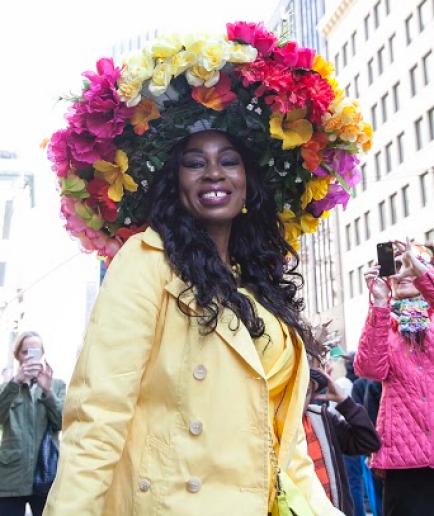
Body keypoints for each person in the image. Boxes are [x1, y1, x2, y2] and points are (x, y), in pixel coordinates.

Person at [42, 22, 371, 516]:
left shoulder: (262, 285)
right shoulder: (146, 262)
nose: (214, 172)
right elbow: (97, 417)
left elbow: (287, 452)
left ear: (248, 182)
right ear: (175, 183)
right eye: (195, 162)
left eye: (229, 160)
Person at [354, 240, 434, 516]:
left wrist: (422, 273)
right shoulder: (386, 323)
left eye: (409, 263)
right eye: (396, 265)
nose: (401, 272)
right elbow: (368, 369)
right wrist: (378, 302)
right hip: (405, 460)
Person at [0, 331, 65, 516]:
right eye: (25, 351)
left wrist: (48, 391)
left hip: (45, 474)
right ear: (18, 355)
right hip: (10, 476)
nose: (30, 356)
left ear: (42, 354)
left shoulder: (57, 385)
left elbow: (61, 423)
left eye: (36, 351)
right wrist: (15, 383)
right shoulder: (7, 388)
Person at [304, 368, 381, 516]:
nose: (303, 395)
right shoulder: (273, 424)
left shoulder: (322, 419)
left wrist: (345, 402)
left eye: (308, 389)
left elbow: (369, 442)